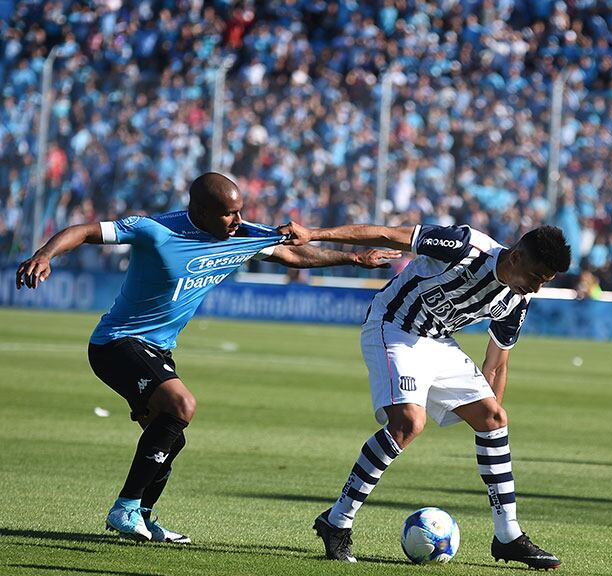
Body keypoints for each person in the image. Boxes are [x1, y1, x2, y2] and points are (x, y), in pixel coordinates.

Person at [15, 172, 399, 543]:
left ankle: (143, 517)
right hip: (117, 342)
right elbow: (83, 230)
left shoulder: (242, 234)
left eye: (239, 211)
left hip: (159, 349)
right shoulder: (155, 230)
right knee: (182, 405)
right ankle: (125, 508)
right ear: (198, 212)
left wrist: (355, 260)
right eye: (228, 213)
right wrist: (45, 254)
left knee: (170, 437)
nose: (238, 221)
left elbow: (292, 255)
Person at [286, 221, 571, 569]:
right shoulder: (465, 247)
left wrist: (486, 420)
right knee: (409, 423)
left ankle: (508, 536)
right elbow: (390, 234)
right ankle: (337, 521)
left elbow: (496, 365)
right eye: (537, 276)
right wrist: (314, 233)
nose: (537, 288)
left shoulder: (517, 299)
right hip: (393, 326)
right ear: (516, 257)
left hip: (437, 342)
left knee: (495, 418)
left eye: (545, 281)